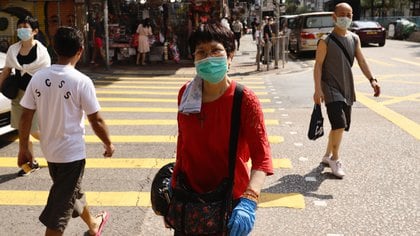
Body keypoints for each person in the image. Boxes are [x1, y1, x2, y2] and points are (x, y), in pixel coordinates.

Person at [173, 22, 273, 235]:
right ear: (194, 58)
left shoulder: (245, 100)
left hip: (230, 205)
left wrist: (250, 199)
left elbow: (262, 158)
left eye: (215, 50)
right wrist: (173, 192)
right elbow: (183, 144)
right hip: (189, 201)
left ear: (230, 55)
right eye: (201, 52)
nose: (208, 57)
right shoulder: (186, 93)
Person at [18, 26, 115, 236]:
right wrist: (108, 144)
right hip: (71, 155)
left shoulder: (38, 78)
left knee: (71, 193)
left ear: (54, 48)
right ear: (80, 50)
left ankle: (94, 225)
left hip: (50, 152)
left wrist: (23, 147)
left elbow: (25, 116)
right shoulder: (81, 81)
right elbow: (96, 120)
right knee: (58, 213)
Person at [313, 3, 381, 178]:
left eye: (349, 15)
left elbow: (362, 61)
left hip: (347, 87)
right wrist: (317, 89)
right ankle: (335, 159)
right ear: (334, 17)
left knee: (338, 126)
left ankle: (327, 156)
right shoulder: (325, 40)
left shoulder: (354, 39)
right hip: (330, 88)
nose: (346, 18)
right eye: (342, 14)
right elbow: (318, 66)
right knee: (339, 124)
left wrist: (372, 80)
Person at [0, 16, 51, 176]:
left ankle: (54, 152)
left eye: (26, 27)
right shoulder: (13, 50)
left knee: (35, 131)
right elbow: (7, 70)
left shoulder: (42, 52)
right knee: (23, 132)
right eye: (20, 27)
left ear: (35, 31)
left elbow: (47, 76)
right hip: (18, 96)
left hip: (36, 96)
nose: (21, 30)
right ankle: (30, 163)